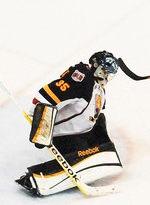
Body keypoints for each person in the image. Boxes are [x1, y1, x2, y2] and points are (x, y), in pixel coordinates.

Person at [15, 51, 123, 196]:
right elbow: (45, 97)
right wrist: (42, 128)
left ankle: (98, 154)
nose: (107, 78)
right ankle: (36, 178)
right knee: (89, 154)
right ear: (96, 66)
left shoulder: (99, 88)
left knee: (102, 130)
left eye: (110, 75)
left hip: (82, 132)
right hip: (65, 136)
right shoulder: (83, 78)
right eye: (105, 72)